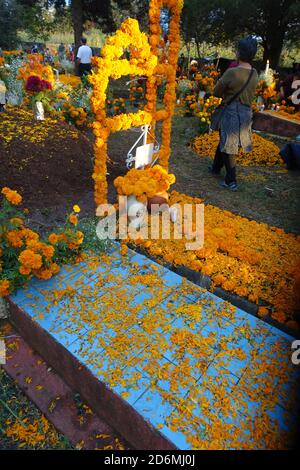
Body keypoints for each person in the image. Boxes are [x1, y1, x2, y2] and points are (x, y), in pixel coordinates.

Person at [209, 36, 259, 191]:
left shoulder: (232, 72)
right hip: (245, 112)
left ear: (239, 52)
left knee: (229, 145)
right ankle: (216, 167)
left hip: (231, 111)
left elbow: (216, 92)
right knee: (225, 139)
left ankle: (231, 181)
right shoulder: (255, 73)